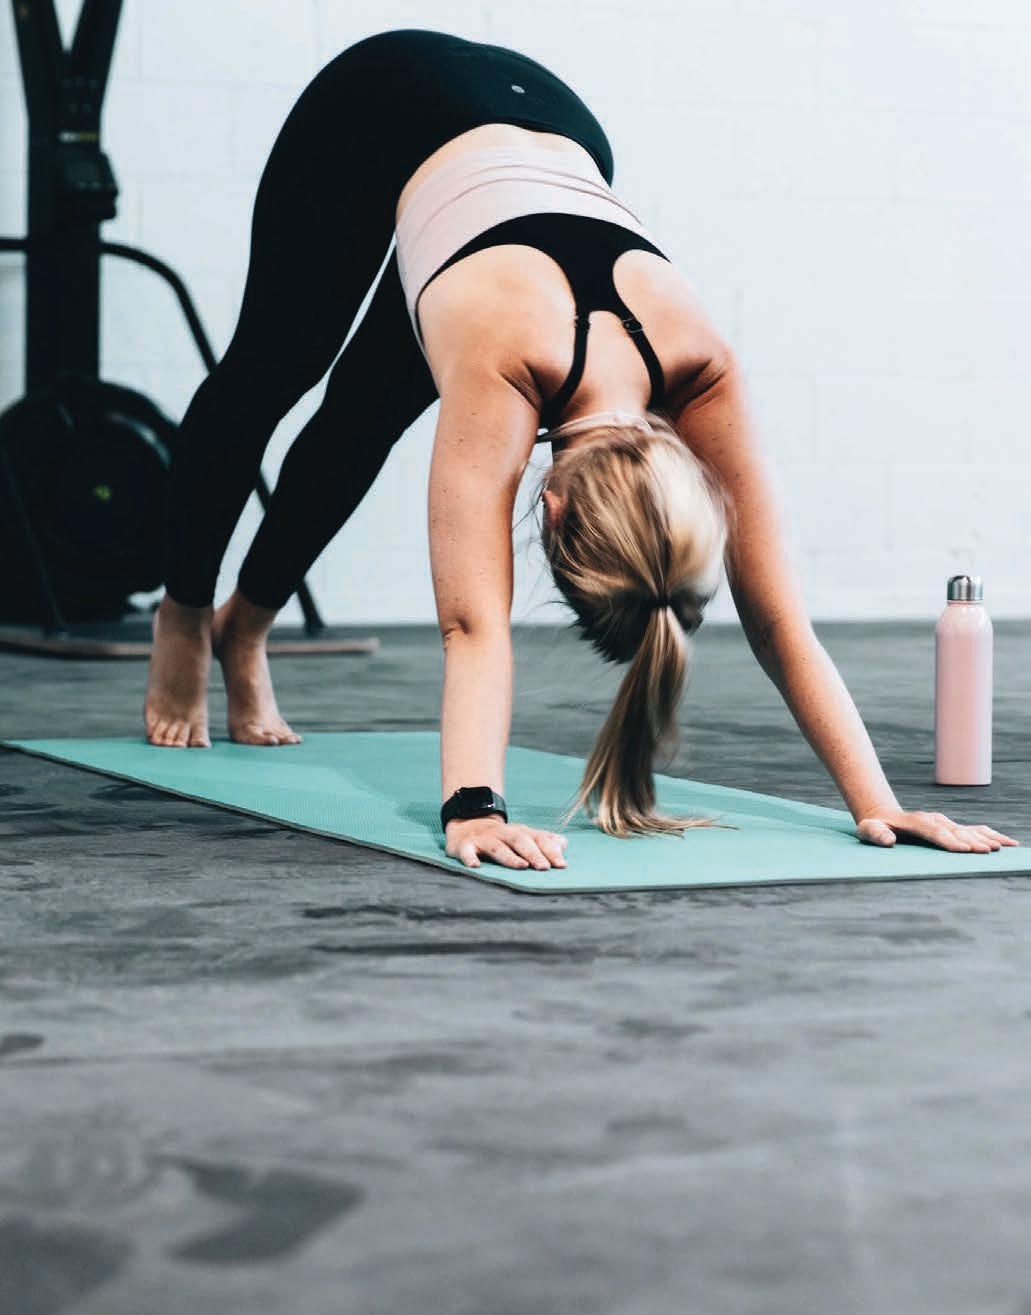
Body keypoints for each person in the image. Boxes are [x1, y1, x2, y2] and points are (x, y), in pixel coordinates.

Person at [144, 27, 1018, 871]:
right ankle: (183, 615)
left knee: (361, 421)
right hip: (382, 103)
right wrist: (472, 808)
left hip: (554, 133)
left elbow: (778, 619)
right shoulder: (517, 360)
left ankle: (244, 628)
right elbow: (471, 625)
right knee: (274, 369)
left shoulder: (699, 366)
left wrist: (877, 802)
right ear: (552, 509)